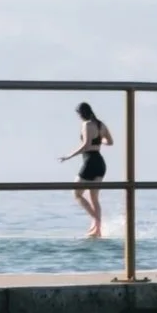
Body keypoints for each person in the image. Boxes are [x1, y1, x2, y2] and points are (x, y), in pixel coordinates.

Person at [59, 102, 113, 239]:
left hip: (89, 161)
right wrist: (99, 142)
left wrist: (69, 156)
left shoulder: (87, 125)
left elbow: (86, 145)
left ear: (81, 114)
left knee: (77, 193)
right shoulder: (101, 125)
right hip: (100, 163)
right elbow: (110, 142)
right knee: (94, 198)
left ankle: (97, 222)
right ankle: (97, 229)